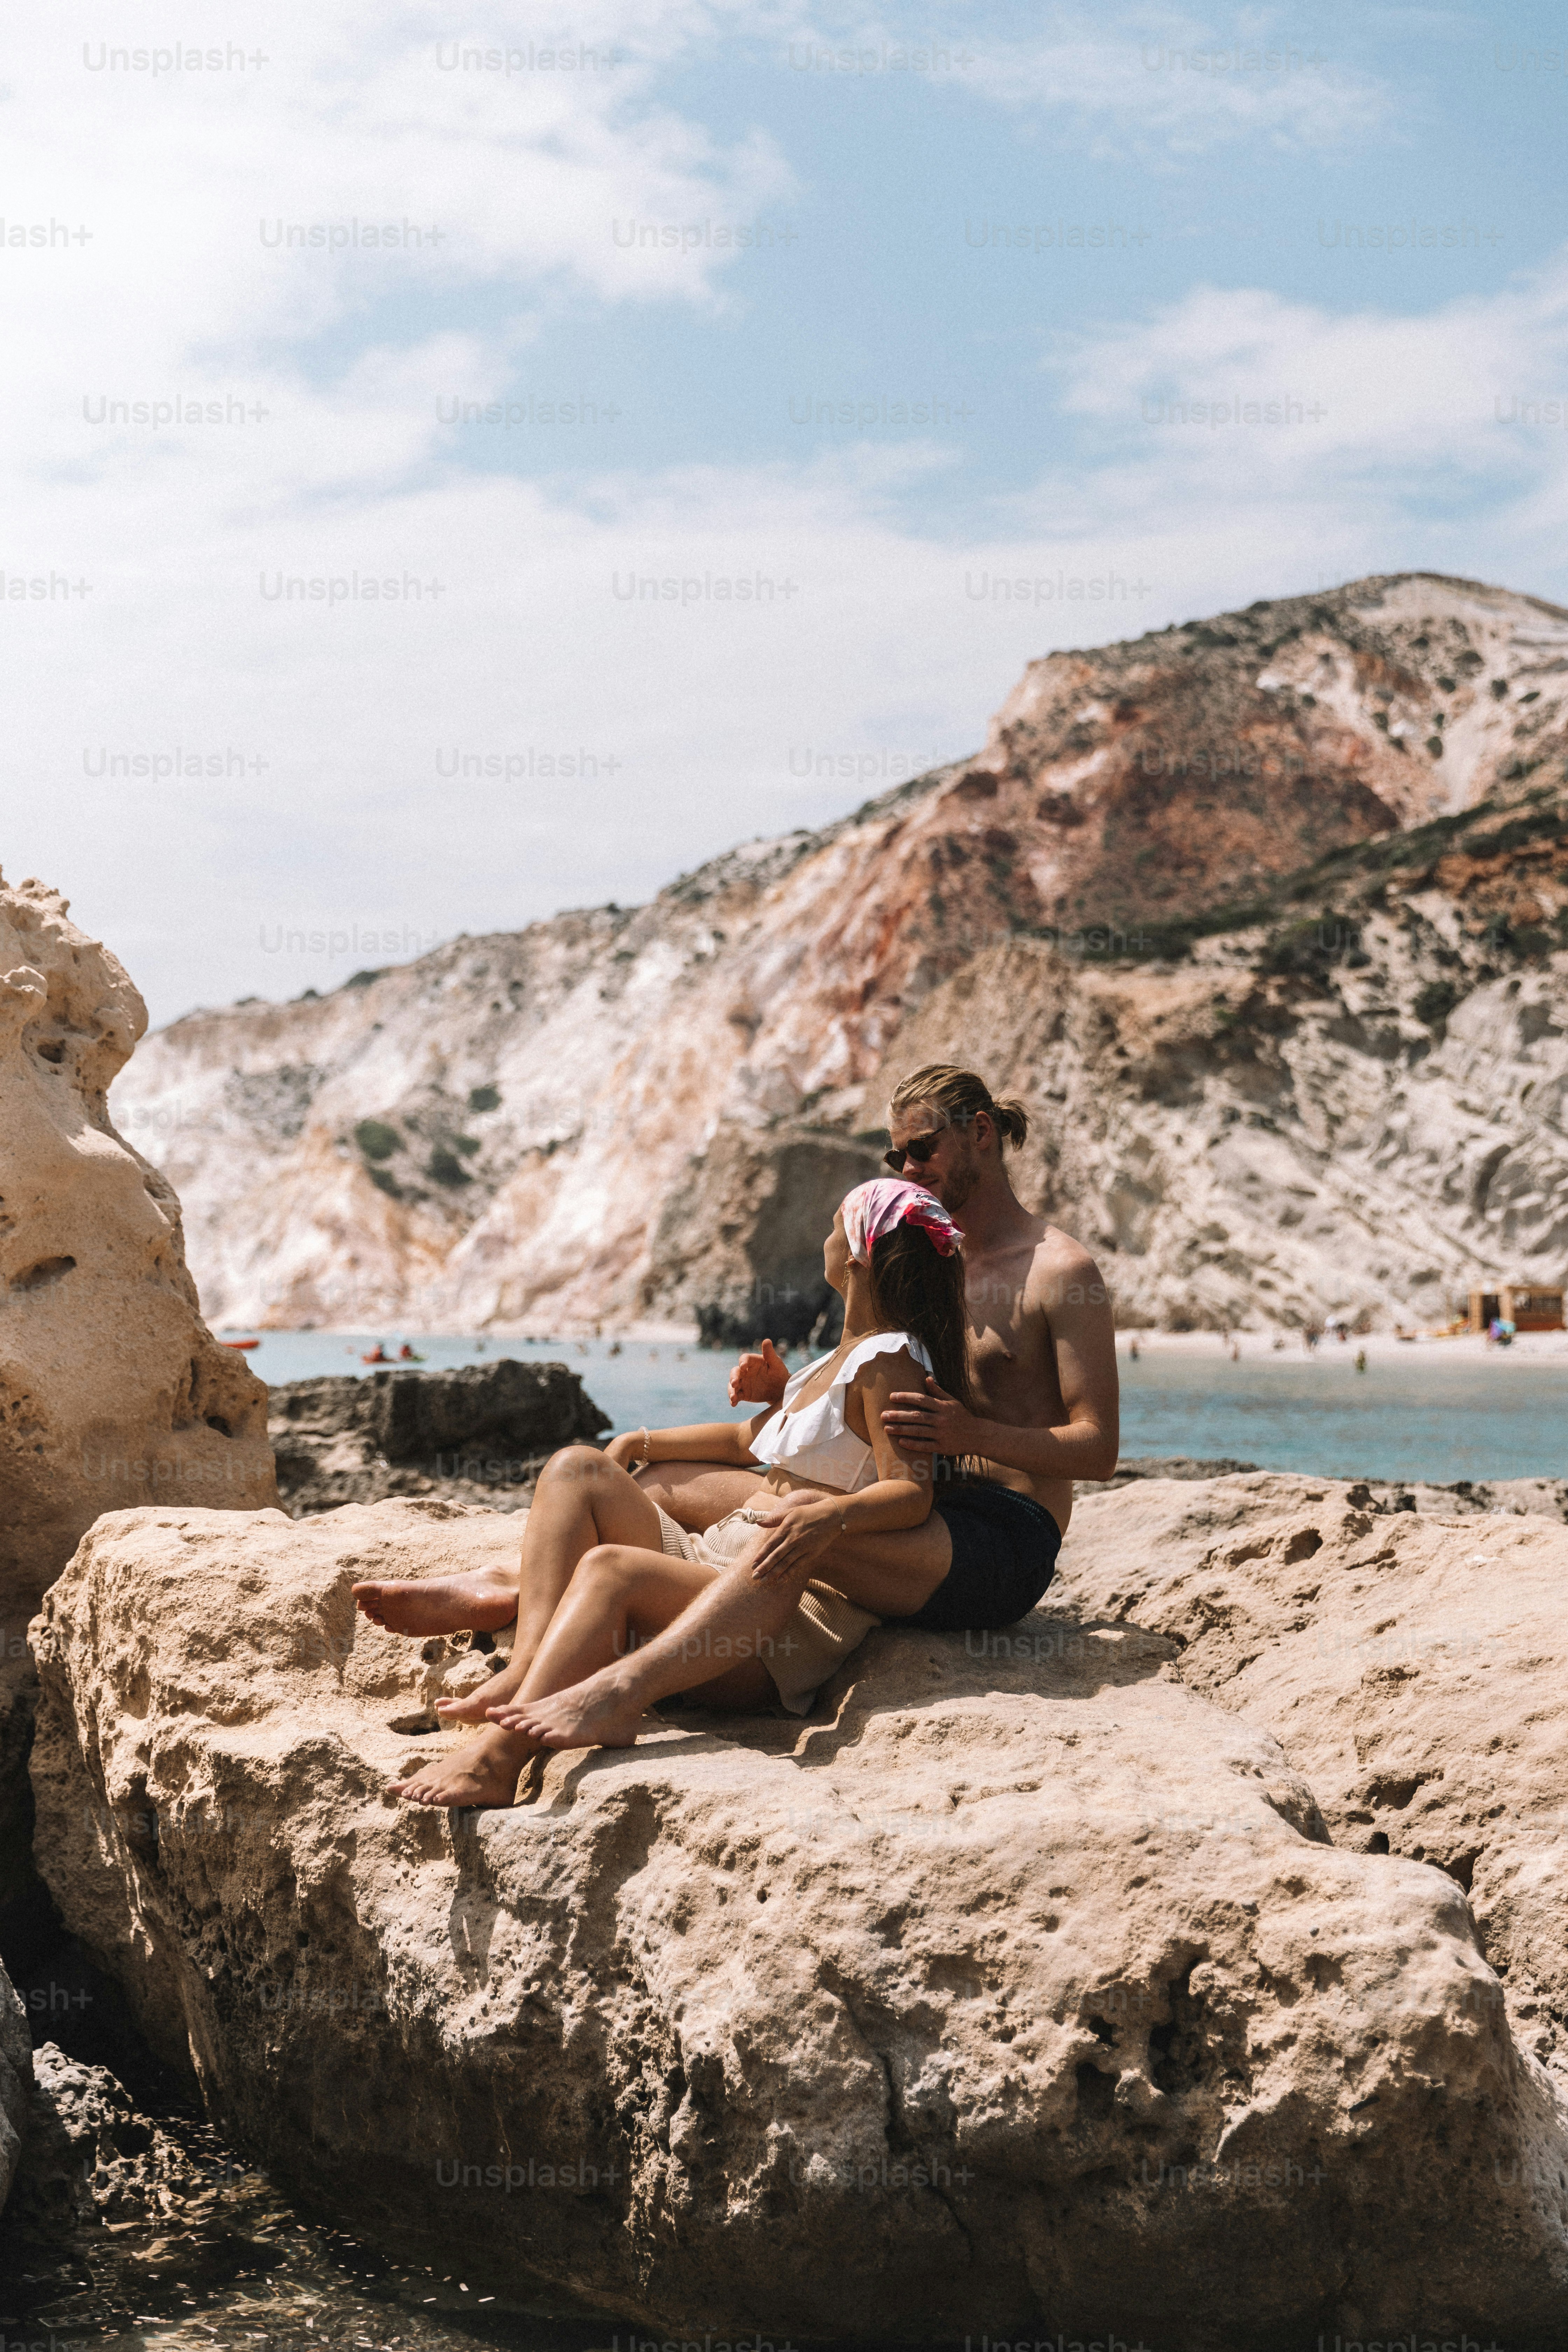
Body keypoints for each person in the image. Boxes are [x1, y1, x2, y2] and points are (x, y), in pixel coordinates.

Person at [356, 1179, 974, 1808]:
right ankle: (526, 1667)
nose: (824, 1235)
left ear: (857, 1255)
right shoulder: (836, 1360)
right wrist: (639, 1442)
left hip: (781, 1614)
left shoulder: (891, 1363)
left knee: (609, 1570)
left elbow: (910, 1494)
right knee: (576, 1468)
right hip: (718, 1562)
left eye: (834, 1224)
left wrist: (832, 1517)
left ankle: (498, 1758)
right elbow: (745, 1442)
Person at [637, 1064, 1118, 1632]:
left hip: (1000, 1527)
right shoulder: (917, 1258)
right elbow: (872, 1374)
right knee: (657, 1480)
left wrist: (974, 1435)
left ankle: (648, 1638)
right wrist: (795, 1397)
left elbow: (1098, 1451)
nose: (910, 1169)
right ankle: (606, 1601)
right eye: (898, 1158)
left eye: (923, 1148)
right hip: (902, 1503)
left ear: (981, 1132)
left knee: (789, 1521)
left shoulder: (1060, 1272)